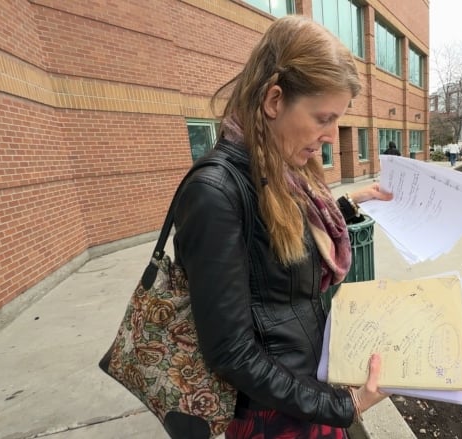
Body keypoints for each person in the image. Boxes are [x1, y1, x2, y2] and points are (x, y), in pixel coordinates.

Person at [171, 16, 392, 439]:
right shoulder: (216, 192)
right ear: (274, 100)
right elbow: (230, 351)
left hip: (305, 387)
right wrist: (344, 405)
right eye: (323, 118)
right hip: (272, 416)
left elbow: (275, 244)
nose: (331, 136)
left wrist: (349, 204)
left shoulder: (279, 171)